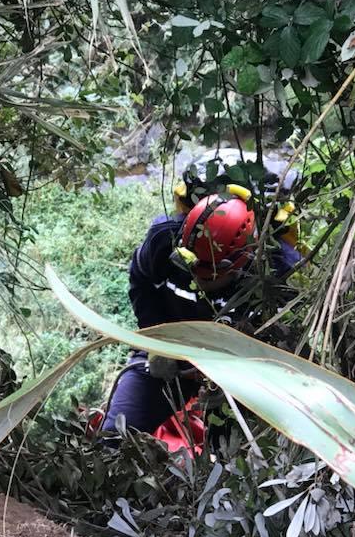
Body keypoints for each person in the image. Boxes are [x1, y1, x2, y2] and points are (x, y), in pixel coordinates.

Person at [101, 160, 302, 436]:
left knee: (232, 458)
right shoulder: (163, 240)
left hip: (236, 374)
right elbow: (141, 281)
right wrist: (156, 342)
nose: (198, 280)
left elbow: (287, 341)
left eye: (209, 276)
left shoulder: (279, 271)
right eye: (191, 269)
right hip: (170, 354)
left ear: (241, 261)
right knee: (115, 435)